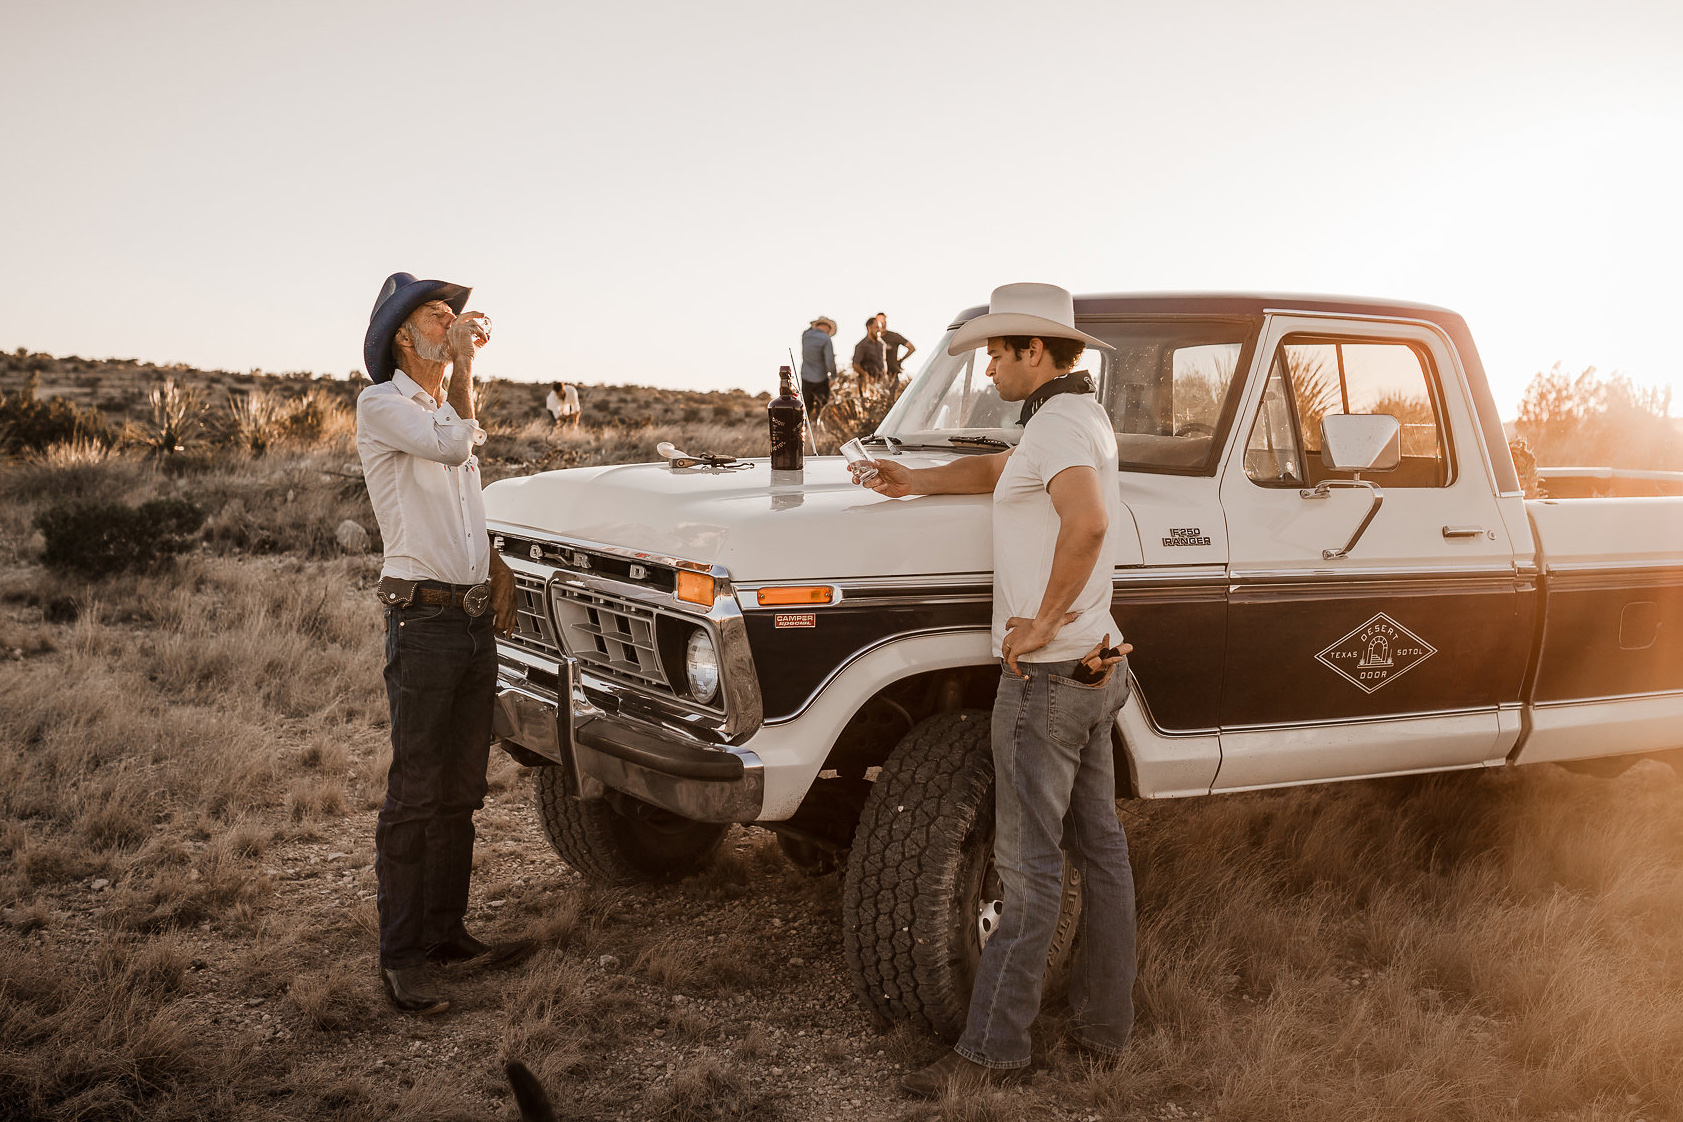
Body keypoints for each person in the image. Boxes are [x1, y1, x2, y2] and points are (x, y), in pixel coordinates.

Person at [851, 283, 1136, 1096]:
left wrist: (1043, 619)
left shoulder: (1060, 426)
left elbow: (1084, 522)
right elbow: (1009, 472)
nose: (987, 365)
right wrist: (916, 480)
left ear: (1033, 352)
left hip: (1049, 678)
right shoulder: (1072, 418)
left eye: (996, 351)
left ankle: (991, 1054)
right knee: (1102, 854)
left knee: (1028, 868)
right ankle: (1103, 1031)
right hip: (1099, 665)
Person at [357, 271, 529, 1016]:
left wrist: (494, 567)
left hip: (466, 618)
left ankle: (444, 932)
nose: (452, 321)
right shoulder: (382, 404)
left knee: (460, 789)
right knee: (415, 791)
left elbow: (465, 498)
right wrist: (466, 366)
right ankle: (400, 956)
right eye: (437, 314)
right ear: (404, 333)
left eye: (454, 315)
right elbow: (456, 450)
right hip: (423, 621)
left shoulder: (439, 409)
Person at [800, 316, 838, 414]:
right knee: (822, 409)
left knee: (806, 407)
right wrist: (833, 376)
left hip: (805, 376)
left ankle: (804, 428)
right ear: (827, 326)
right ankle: (817, 428)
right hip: (820, 378)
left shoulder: (805, 335)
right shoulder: (826, 339)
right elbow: (829, 360)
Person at [875, 312, 916, 383]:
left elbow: (911, 348)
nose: (883, 323)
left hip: (892, 376)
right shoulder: (873, 340)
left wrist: (901, 360)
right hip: (877, 378)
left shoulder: (894, 336)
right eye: (880, 321)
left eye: (884, 321)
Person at [851, 315, 888, 393]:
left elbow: (883, 361)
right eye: (876, 327)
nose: (879, 330)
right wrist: (866, 375)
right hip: (867, 385)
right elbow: (855, 364)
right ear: (869, 327)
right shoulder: (862, 345)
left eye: (879, 327)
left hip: (881, 383)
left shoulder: (881, 344)